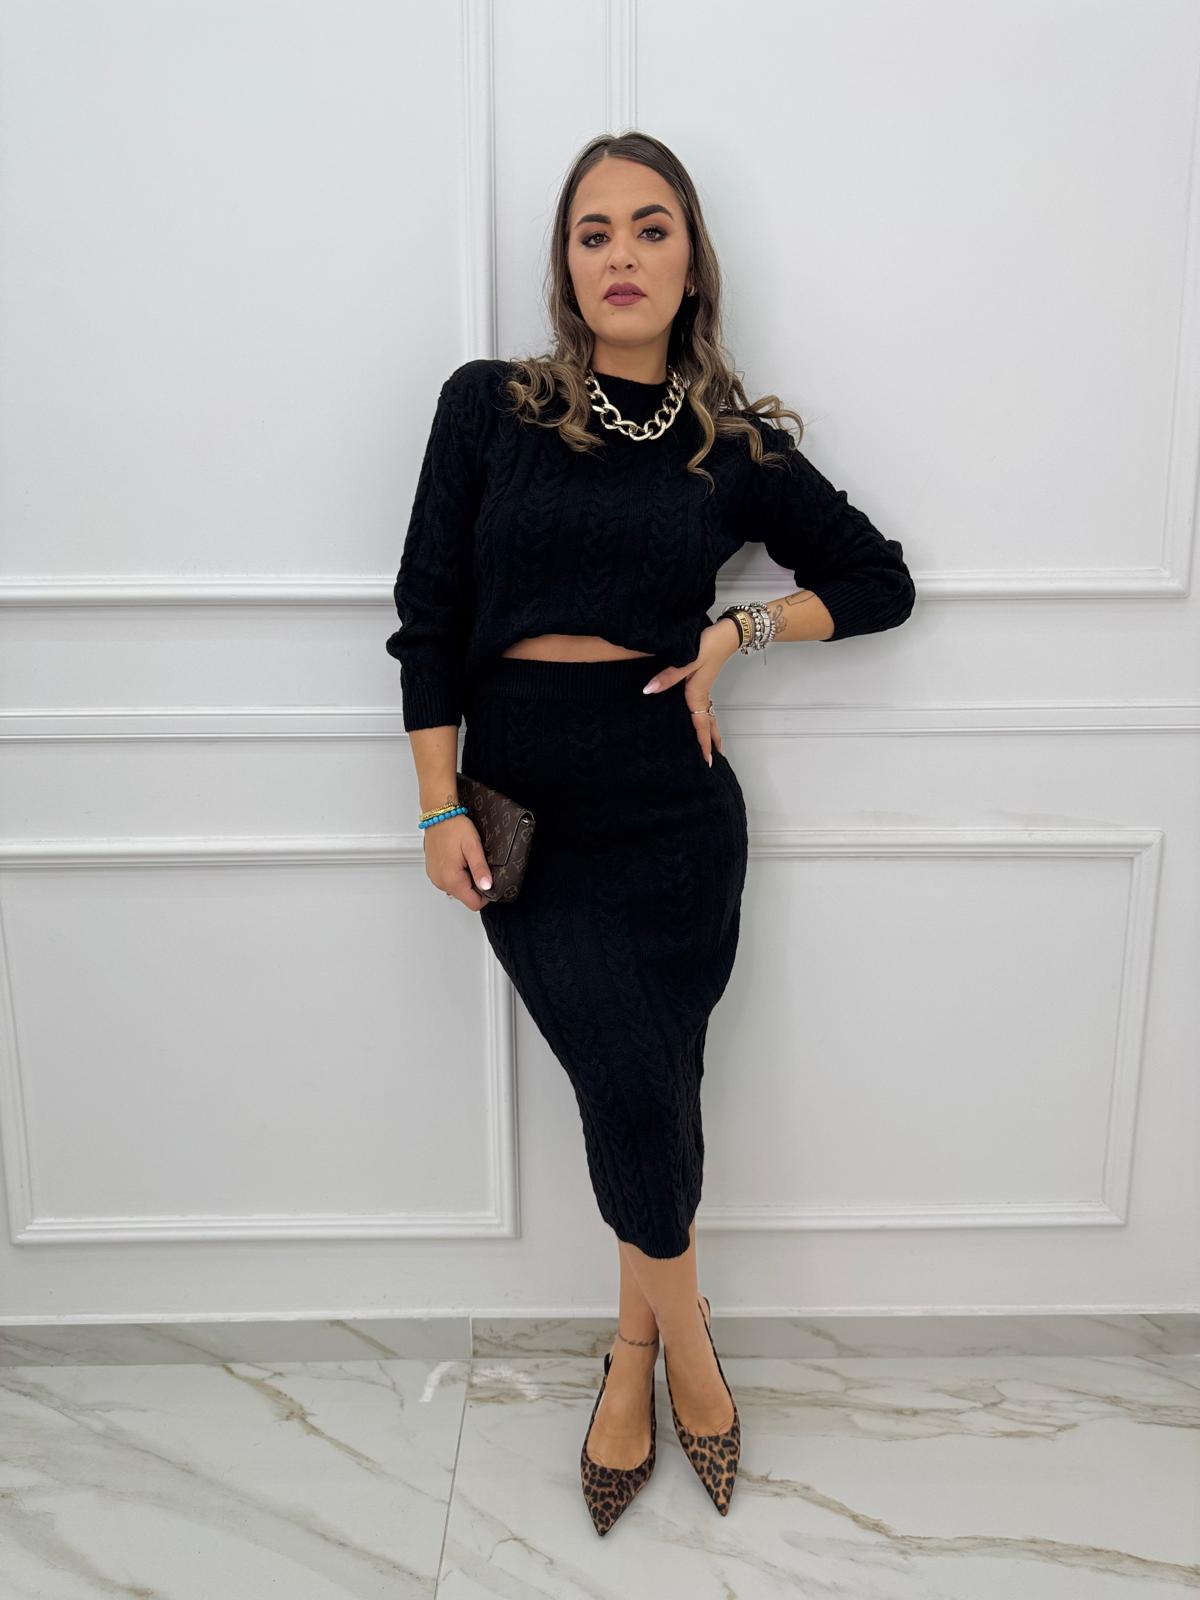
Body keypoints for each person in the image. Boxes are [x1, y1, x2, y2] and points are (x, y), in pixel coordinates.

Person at [385, 131, 916, 1535]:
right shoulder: (489, 406)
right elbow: (429, 616)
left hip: (672, 812)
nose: (621, 254)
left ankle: (636, 1348)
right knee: (631, 1085)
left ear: (693, 262)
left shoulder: (733, 448)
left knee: (652, 1093)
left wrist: (738, 634)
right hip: (524, 807)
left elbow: (877, 583)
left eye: (650, 227)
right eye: (594, 232)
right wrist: (435, 801)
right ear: (567, 266)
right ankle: (683, 1347)